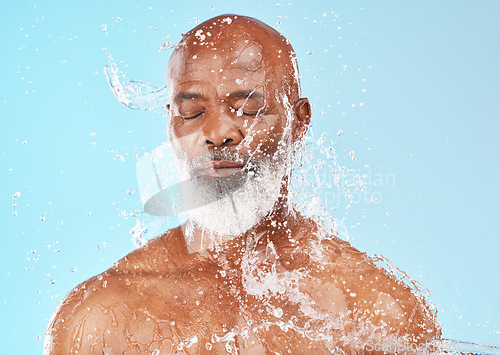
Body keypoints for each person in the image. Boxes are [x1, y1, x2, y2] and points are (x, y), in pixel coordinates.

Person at [44, 14, 441, 354]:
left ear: (299, 120)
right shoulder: (101, 318)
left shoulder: (378, 312)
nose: (217, 132)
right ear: (169, 124)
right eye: (193, 112)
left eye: (248, 108)